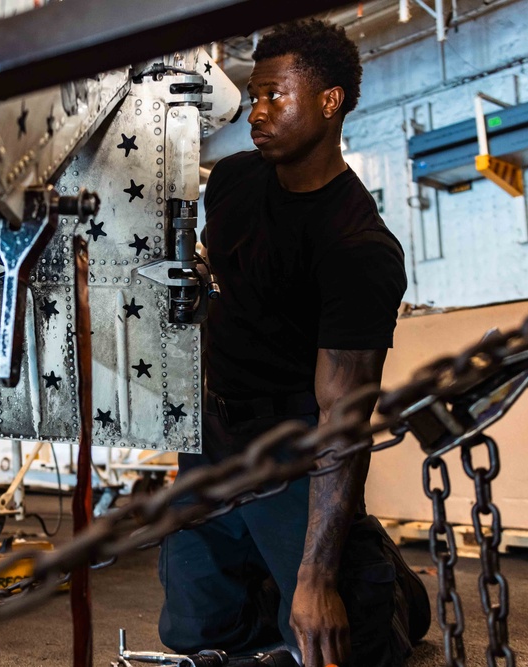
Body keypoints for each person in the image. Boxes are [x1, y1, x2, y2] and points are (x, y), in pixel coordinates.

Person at [159, 19, 430, 667]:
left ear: (329, 101)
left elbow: (342, 419)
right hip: (215, 438)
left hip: (296, 447)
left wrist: (314, 579)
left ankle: (386, 586)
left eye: (274, 95)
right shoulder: (231, 181)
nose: (255, 111)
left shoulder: (358, 248)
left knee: (337, 643)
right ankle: (290, 579)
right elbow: (214, 275)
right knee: (194, 630)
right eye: (253, 95)